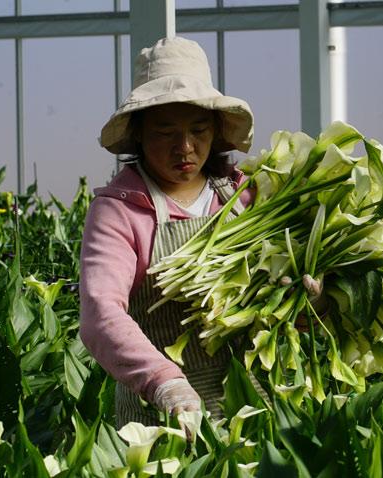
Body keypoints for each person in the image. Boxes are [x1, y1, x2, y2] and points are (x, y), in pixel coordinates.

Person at [78, 37, 258, 427]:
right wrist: (164, 383)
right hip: (163, 417)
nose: (186, 147)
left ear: (216, 130)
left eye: (199, 130)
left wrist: (315, 303)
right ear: (138, 133)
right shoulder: (119, 211)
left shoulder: (244, 196)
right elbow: (100, 313)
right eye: (165, 132)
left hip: (255, 406)